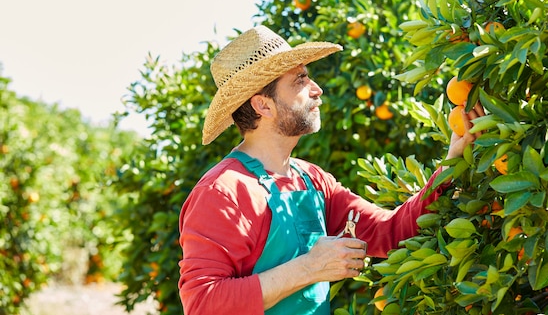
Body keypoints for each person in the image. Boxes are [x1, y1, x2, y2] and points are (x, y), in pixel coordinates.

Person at [178, 25, 484, 315]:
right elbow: (203, 304)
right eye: (300, 80)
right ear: (263, 106)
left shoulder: (311, 180)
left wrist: (451, 164)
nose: (317, 89)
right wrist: (310, 267)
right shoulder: (223, 192)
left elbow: (390, 233)